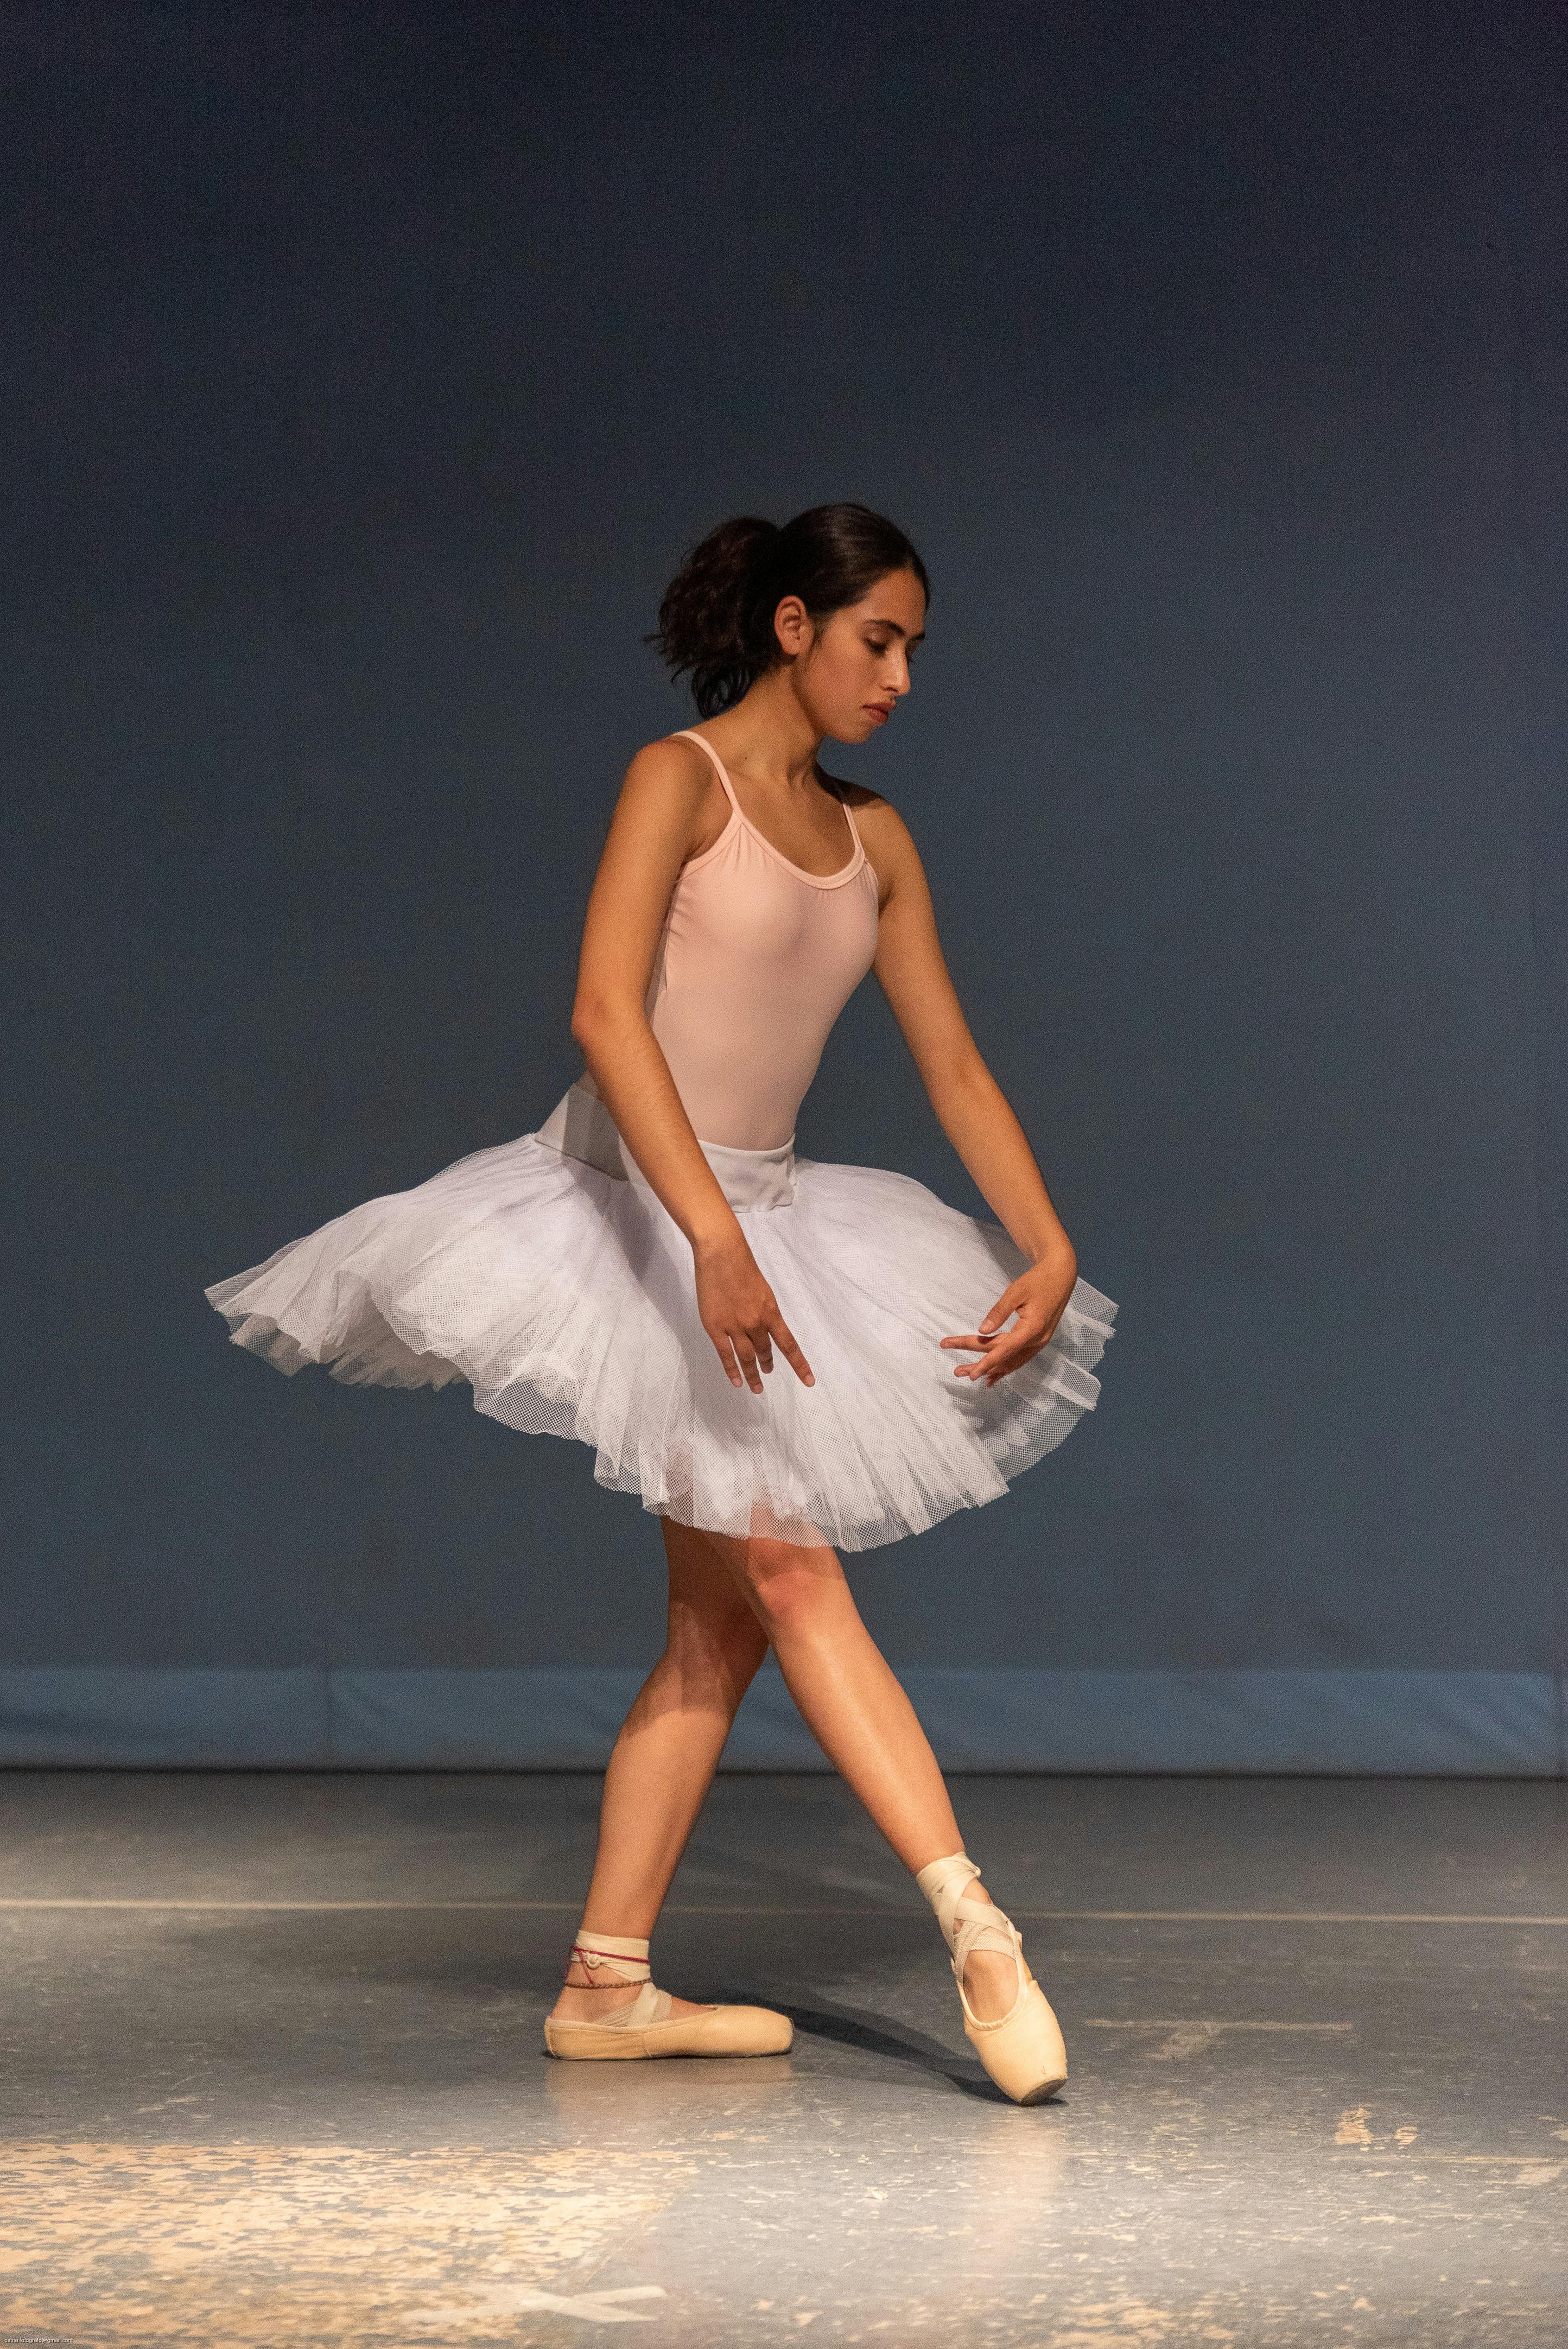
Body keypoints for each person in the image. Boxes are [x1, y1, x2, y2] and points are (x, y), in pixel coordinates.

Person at [205, 503, 1116, 2104]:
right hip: (629, 1210)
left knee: (720, 1621)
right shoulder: (676, 782)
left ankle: (606, 1983)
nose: (901, 677)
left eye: (915, 650)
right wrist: (707, 1236)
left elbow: (955, 1067)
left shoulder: (879, 839)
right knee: (789, 1563)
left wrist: (1043, 1240)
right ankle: (976, 1926)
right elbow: (605, 1016)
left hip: (766, 1217)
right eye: (878, 640)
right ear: (792, 626)